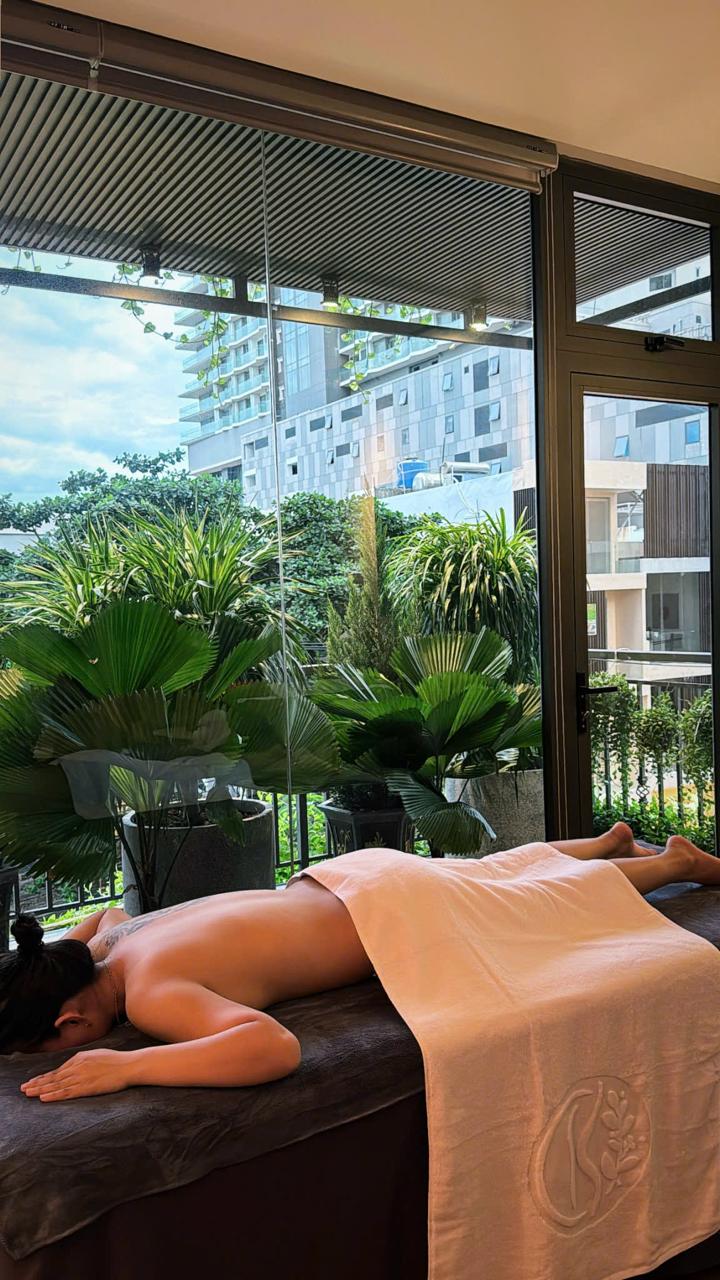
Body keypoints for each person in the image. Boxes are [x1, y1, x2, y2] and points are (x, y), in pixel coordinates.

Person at [3, 823, 720, 1104]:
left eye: (57, 1045)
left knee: (535, 904)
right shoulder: (122, 940)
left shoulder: (151, 994)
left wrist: (125, 1065)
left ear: (70, 1017)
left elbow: (271, 1048)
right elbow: (94, 920)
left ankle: (669, 866)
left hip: (386, 916)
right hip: (347, 877)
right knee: (488, 872)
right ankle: (600, 844)